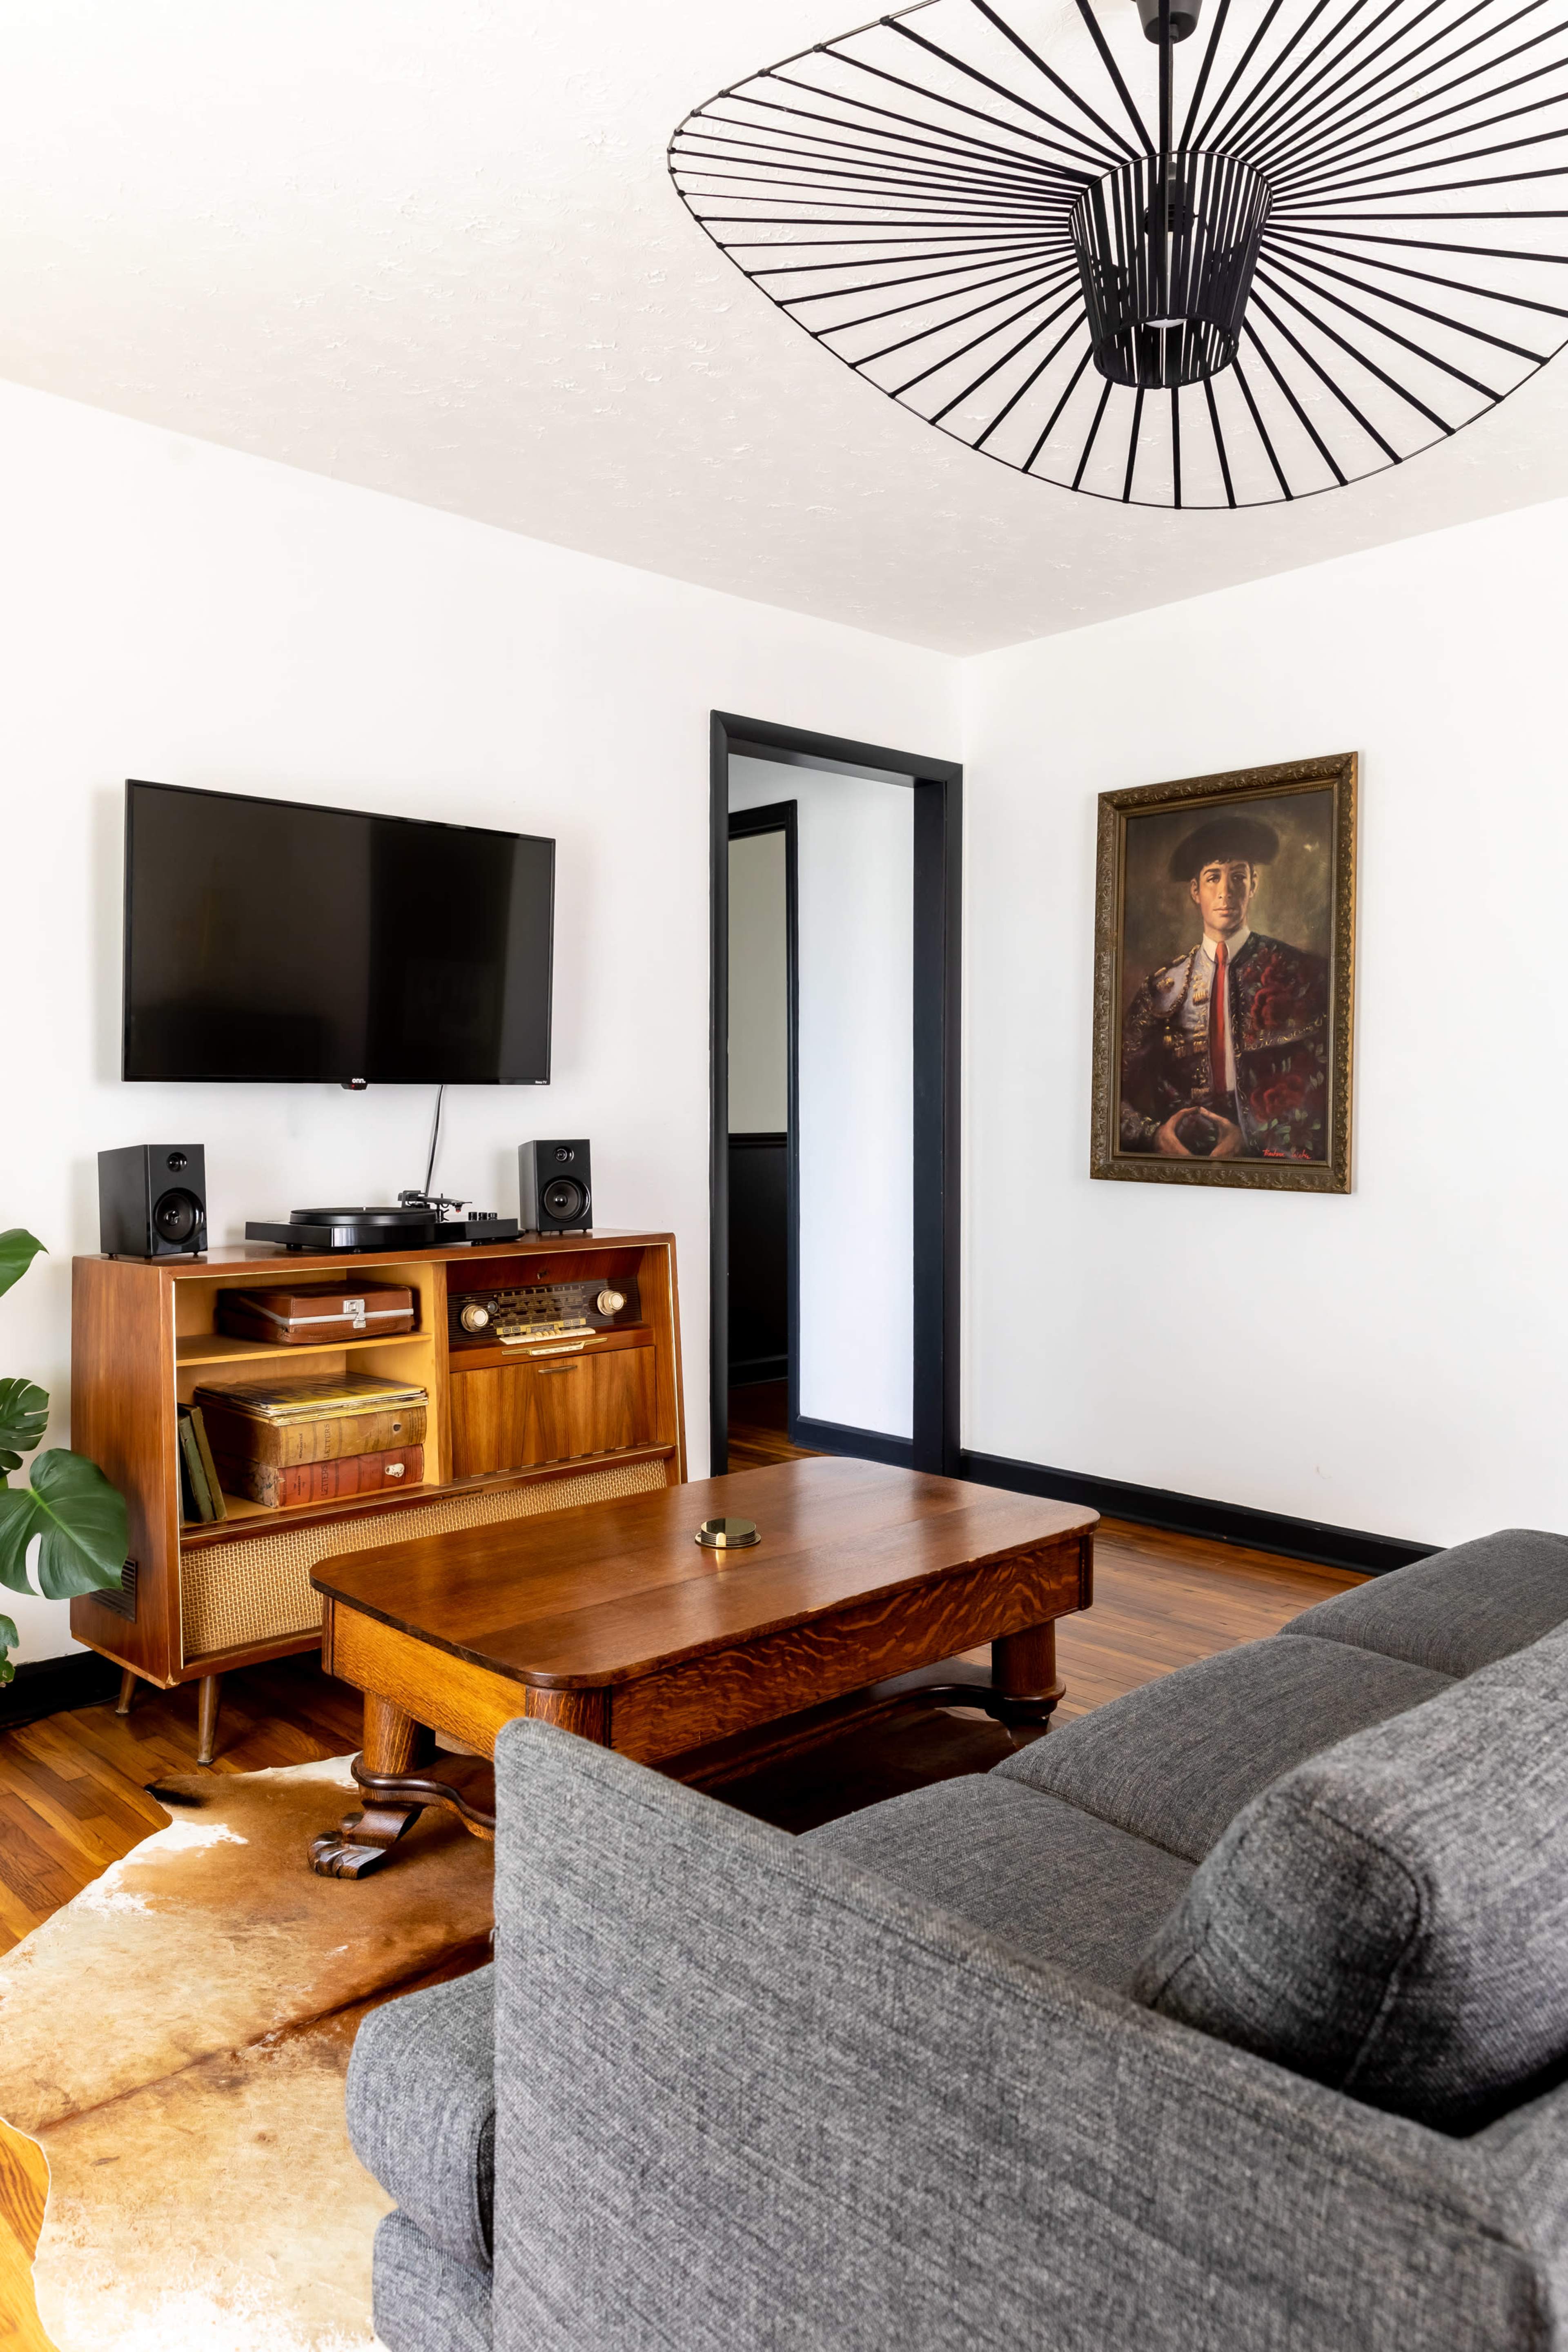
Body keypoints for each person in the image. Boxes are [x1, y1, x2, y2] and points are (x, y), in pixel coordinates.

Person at [1119, 813, 1329, 1162]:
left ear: (1254, 885)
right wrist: (1156, 1135)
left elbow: (1329, 1088)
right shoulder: (1162, 989)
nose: (1226, 892)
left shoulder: (1304, 973)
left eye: (1238, 878)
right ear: (1195, 891)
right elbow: (1111, 1091)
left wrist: (1254, 1139)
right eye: (1213, 878)